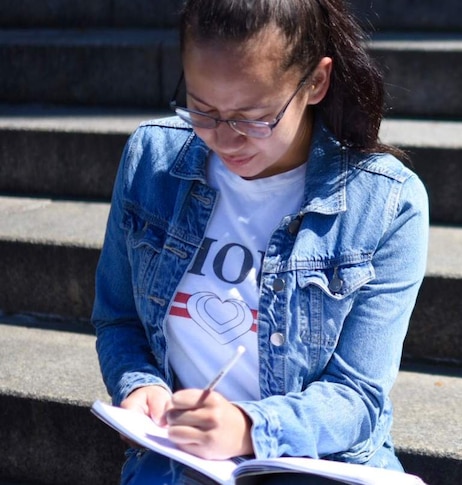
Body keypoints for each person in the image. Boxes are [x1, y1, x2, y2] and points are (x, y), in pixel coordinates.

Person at [90, 0, 429, 482]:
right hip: (178, 456)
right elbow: (119, 316)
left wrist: (249, 427)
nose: (226, 139)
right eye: (202, 110)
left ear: (315, 82)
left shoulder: (386, 202)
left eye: (254, 117)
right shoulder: (153, 161)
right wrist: (139, 384)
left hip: (319, 464)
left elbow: (357, 397)